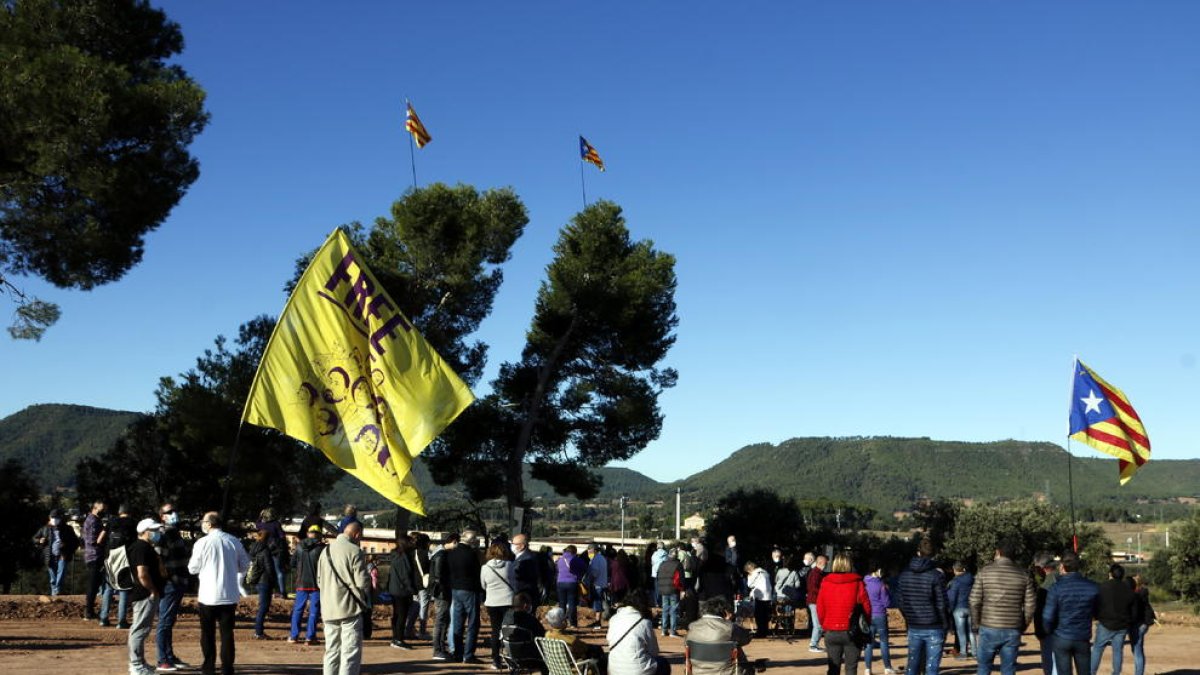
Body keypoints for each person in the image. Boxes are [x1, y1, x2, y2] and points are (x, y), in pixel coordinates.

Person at [188, 512, 251, 675]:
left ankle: (208, 667)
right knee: (227, 634)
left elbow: (192, 568)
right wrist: (230, 568)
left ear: (209, 524)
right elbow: (245, 564)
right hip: (228, 595)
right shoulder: (233, 541)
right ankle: (227, 668)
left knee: (207, 634)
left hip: (208, 595)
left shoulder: (202, 543)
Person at [969, 539, 1036, 675]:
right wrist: (1023, 624)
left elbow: (974, 601)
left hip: (988, 626)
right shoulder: (1023, 575)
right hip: (1012, 628)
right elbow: (1030, 605)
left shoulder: (984, 572)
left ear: (998, 552)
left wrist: (976, 624)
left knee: (983, 667)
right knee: (1008, 669)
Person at [318, 521, 371, 675]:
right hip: (350, 608)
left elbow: (319, 581)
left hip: (328, 608)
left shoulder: (325, 551)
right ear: (357, 534)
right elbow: (362, 583)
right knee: (350, 652)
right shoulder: (355, 551)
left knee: (331, 651)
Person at [1042, 551, 1100, 675]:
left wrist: (1049, 631)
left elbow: (1047, 617)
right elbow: (1098, 612)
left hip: (1061, 637)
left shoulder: (1055, 588)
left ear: (1062, 566)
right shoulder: (1093, 587)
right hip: (1082, 637)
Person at [897, 538, 949, 675]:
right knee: (931, 668)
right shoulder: (936, 576)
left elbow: (900, 601)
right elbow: (942, 604)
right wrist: (945, 624)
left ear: (918, 553)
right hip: (934, 625)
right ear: (934, 555)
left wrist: (909, 616)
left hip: (914, 625)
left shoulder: (904, 575)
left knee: (912, 666)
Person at [816, 552, 871, 675]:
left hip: (831, 630)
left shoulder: (825, 583)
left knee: (833, 669)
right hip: (852, 631)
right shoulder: (857, 583)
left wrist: (824, 624)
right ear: (849, 565)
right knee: (851, 669)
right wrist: (865, 624)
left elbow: (820, 608)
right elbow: (866, 607)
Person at [156, 502, 193, 672]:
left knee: (169, 621)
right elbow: (158, 558)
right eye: (169, 512)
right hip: (171, 582)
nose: (174, 514)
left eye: (174, 510)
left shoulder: (174, 532)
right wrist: (166, 577)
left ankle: (169, 656)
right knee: (164, 621)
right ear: (162, 516)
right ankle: (162, 659)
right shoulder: (164, 533)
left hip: (178, 581)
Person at [125, 518, 165, 675]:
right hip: (144, 594)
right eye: (154, 530)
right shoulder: (141, 548)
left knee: (141, 629)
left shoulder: (144, 547)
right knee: (139, 630)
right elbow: (142, 574)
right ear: (145, 531)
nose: (156, 533)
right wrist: (153, 590)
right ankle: (136, 665)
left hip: (144, 594)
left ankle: (140, 663)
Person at [607, 590, 670, 675]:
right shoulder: (644, 622)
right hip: (638, 671)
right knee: (663, 663)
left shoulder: (613, 619)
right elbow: (654, 651)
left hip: (613, 670)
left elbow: (609, 641)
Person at [687, 595, 752, 675]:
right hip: (727, 672)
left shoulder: (692, 627)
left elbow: (687, 646)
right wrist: (729, 622)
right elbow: (747, 638)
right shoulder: (729, 627)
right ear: (725, 612)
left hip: (697, 672)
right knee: (736, 645)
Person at [1091, 563, 1136, 675]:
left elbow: (1096, 604)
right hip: (1122, 625)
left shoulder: (1102, 587)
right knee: (1117, 651)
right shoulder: (1128, 589)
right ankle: (1116, 673)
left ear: (1110, 574)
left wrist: (1096, 616)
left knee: (1097, 649)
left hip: (1105, 623)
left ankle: (1091, 672)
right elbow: (1132, 608)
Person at [447, 527, 483, 663]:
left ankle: (457, 652)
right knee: (473, 623)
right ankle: (468, 655)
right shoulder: (472, 554)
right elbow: (477, 571)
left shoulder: (451, 553)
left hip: (455, 589)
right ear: (471, 540)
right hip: (470, 589)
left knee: (457, 622)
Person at [481, 540, 515, 669]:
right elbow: (514, 582)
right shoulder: (509, 565)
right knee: (509, 631)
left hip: (492, 602)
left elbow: (483, 585)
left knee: (495, 631)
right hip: (508, 601)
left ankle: (495, 660)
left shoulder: (485, 568)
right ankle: (510, 658)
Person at [290, 524, 325, 645]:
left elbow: (292, 563)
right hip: (317, 584)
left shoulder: (299, 547)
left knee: (298, 610)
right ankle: (310, 637)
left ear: (308, 533)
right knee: (314, 611)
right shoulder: (322, 548)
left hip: (301, 582)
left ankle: (293, 636)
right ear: (319, 534)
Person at [104, 504, 138, 628]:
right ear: (130, 512)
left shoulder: (111, 522)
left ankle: (103, 618)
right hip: (125, 558)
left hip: (110, 557)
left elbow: (101, 539)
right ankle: (121, 621)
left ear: (119, 512)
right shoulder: (133, 523)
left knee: (108, 587)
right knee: (124, 588)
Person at [33, 508, 79, 597]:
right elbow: (34, 539)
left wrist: (67, 546)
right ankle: (54, 593)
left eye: (56, 517)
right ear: (49, 518)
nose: (54, 519)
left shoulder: (67, 529)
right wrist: (39, 540)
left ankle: (57, 590)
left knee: (61, 573)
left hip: (63, 555)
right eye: (53, 517)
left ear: (61, 518)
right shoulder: (44, 529)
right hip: (49, 555)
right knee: (52, 576)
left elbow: (75, 542)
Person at [387, 534, 421, 651]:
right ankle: (398, 639)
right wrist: (412, 589)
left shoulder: (396, 555)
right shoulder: (402, 557)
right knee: (401, 615)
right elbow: (405, 576)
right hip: (402, 590)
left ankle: (396, 637)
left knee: (397, 615)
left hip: (395, 589)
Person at [863, 564, 896, 675]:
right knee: (883, 642)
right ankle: (887, 668)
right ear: (878, 570)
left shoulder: (864, 582)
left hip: (867, 615)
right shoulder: (881, 584)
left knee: (868, 643)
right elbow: (887, 603)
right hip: (880, 615)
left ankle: (868, 669)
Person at [429, 533, 456, 660]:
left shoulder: (439, 553)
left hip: (441, 592)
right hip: (442, 593)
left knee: (444, 621)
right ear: (453, 541)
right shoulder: (441, 555)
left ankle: (440, 648)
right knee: (441, 621)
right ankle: (437, 649)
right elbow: (439, 577)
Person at [1032, 552, 1060, 675]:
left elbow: (1039, 612)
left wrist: (1039, 631)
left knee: (1050, 664)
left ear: (1043, 568)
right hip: (1066, 629)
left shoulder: (1045, 587)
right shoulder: (1064, 578)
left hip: (1049, 630)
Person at [247, 526, 276, 639]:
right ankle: (258, 632)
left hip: (257, 580)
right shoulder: (265, 551)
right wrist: (274, 582)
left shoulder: (253, 548)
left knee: (262, 606)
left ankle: (258, 631)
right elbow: (269, 568)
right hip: (265, 581)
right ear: (267, 539)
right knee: (264, 606)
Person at [82, 500, 108, 620]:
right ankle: (89, 611)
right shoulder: (93, 521)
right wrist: (104, 531)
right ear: (94, 508)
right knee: (92, 585)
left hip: (93, 555)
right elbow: (94, 540)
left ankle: (90, 610)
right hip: (94, 555)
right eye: (101, 509)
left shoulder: (94, 520)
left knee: (94, 584)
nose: (103, 511)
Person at [406, 531, 432, 640]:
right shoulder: (426, 554)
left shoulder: (412, 553)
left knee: (415, 607)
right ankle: (422, 630)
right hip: (424, 584)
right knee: (423, 607)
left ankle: (409, 628)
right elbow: (429, 567)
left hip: (413, 584)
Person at [256, 508, 288, 598]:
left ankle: (273, 591)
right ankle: (282, 592)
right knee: (279, 572)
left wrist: (260, 515)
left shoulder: (261, 525)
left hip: (265, 550)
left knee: (268, 572)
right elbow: (282, 536)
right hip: (276, 551)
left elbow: (256, 524)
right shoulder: (276, 524)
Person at [946, 561, 975, 659]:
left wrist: (950, 609)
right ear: (964, 569)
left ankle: (963, 653)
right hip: (971, 608)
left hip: (959, 609)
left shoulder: (955, 581)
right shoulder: (972, 579)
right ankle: (975, 653)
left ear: (954, 570)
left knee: (961, 632)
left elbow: (952, 597)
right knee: (971, 632)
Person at [1128, 574, 1155, 675]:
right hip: (1144, 623)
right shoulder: (1143, 592)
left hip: (1137, 624)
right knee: (1137, 649)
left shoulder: (1135, 594)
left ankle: (1138, 673)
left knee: (1137, 650)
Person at [656, 544, 684, 638]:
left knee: (665, 609)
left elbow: (657, 576)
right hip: (673, 590)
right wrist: (682, 589)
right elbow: (681, 579)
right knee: (674, 610)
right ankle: (673, 630)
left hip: (664, 589)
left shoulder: (662, 564)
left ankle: (664, 630)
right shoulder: (678, 564)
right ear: (676, 555)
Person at [557, 544, 588, 629]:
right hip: (572, 583)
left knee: (562, 604)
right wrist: (578, 574)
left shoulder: (560, 559)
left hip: (560, 582)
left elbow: (558, 569)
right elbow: (585, 568)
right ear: (574, 552)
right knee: (572, 604)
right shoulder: (576, 559)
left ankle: (560, 622)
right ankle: (572, 623)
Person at [744, 561, 773, 638]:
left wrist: (749, 576)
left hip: (760, 596)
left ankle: (760, 632)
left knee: (759, 615)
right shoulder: (765, 572)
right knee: (765, 615)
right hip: (768, 596)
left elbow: (749, 585)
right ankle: (765, 631)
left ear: (749, 569)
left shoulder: (754, 574)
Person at [807, 553, 829, 653]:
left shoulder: (817, 572)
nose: (827, 564)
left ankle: (814, 644)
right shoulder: (816, 573)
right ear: (821, 562)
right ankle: (813, 645)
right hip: (814, 601)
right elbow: (813, 588)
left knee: (819, 624)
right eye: (826, 563)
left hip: (815, 601)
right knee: (818, 624)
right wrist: (824, 592)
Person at [587, 542, 610, 628]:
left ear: (594, 550)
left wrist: (590, 583)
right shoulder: (602, 558)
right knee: (598, 602)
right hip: (602, 583)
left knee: (597, 603)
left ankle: (597, 622)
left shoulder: (595, 559)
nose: (588, 552)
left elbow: (594, 573)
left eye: (589, 550)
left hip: (597, 584)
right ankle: (597, 621)